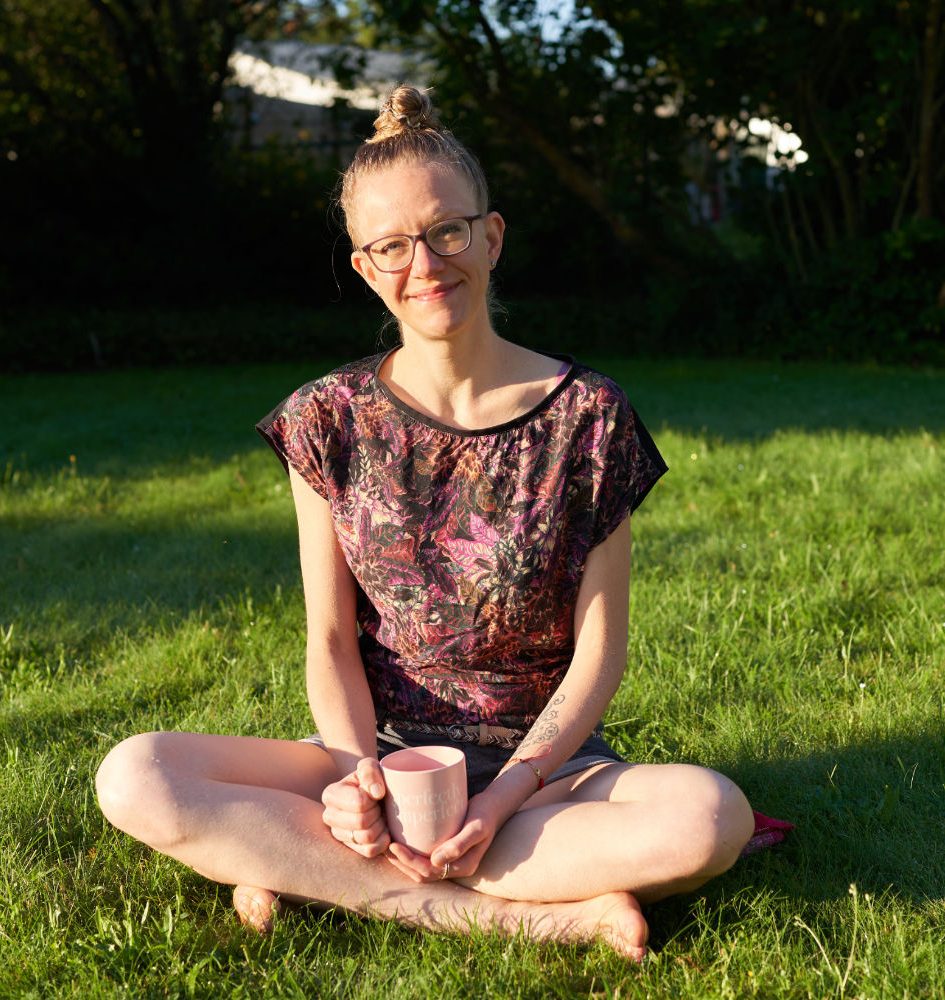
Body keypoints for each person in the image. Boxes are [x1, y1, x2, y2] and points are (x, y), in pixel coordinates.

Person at [95, 86, 755, 964]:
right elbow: (330, 641)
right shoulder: (326, 417)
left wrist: (503, 796)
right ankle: (545, 917)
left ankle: (300, 868)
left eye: (448, 231)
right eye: (393, 245)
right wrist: (353, 774)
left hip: (547, 771)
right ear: (366, 266)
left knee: (711, 817)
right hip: (377, 751)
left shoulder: (590, 415)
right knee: (135, 775)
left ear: (492, 236)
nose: (427, 263)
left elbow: (600, 656)